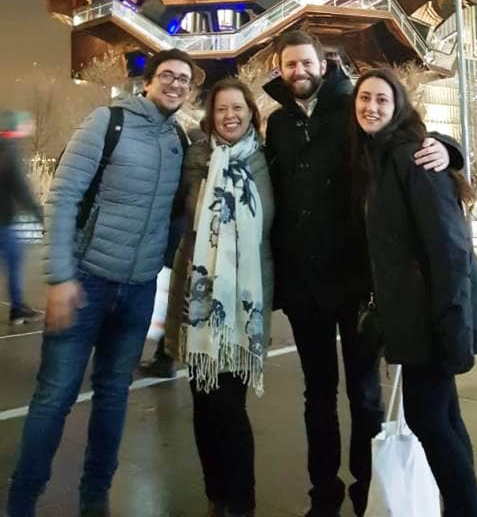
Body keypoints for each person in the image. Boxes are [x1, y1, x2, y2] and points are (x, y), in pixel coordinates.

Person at [264, 30, 461, 517]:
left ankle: (367, 494)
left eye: (306, 63)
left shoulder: (351, 108)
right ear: (279, 67)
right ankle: (323, 496)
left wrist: (448, 147)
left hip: (357, 284)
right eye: (290, 65)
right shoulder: (277, 124)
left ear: (323, 65)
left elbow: (404, 134)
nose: (299, 72)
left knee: (365, 394)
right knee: (317, 397)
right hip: (306, 287)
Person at [6, 48, 200, 517]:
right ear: (147, 82)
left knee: (114, 396)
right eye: (167, 76)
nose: (176, 84)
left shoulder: (179, 140)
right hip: (86, 283)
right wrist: (60, 277)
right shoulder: (107, 123)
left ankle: (95, 497)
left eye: (184, 79)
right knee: (55, 396)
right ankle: (22, 501)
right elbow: (64, 197)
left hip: (137, 291)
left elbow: (175, 217)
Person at [351, 67, 477, 517]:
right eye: (364, 99)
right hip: (413, 317)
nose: (370, 107)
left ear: (399, 109)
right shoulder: (378, 157)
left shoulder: (412, 157)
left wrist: (452, 323)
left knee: (431, 420)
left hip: (428, 318)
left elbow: (449, 248)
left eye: (381, 100)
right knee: (445, 417)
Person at [165, 77, 274, 517]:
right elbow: (183, 213)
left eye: (238, 108)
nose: (230, 115)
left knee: (230, 405)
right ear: (211, 116)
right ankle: (217, 494)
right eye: (222, 109)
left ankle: (242, 502)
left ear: (251, 113)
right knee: (203, 401)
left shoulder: (268, 158)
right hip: (198, 297)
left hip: (245, 301)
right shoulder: (194, 156)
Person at [0, 111, 43, 324]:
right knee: (15, 260)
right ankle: (17, 308)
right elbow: (20, 187)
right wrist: (38, 212)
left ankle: (18, 307)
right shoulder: (9, 148)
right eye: (29, 123)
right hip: (3, 220)